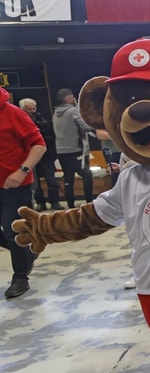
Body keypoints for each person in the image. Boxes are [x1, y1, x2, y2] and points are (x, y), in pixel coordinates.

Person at [0, 88, 46, 298]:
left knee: (13, 232)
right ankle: (26, 255)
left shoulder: (13, 113)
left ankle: (20, 277)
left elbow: (39, 145)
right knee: (13, 238)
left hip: (14, 186)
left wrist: (22, 170)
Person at [18, 98, 64, 211]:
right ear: (22, 109)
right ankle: (40, 202)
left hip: (46, 154)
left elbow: (51, 134)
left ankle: (55, 201)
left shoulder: (43, 118)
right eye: (29, 109)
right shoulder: (19, 121)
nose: (32, 111)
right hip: (29, 155)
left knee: (51, 179)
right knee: (35, 182)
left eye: (33, 108)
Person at [53, 88, 94, 208]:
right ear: (68, 99)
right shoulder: (73, 111)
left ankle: (70, 205)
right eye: (72, 97)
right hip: (75, 150)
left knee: (68, 179)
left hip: (61, 150)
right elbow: (85, 126)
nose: (74, 99)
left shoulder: (55, 113)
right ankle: (89, 203)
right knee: (87, 176)